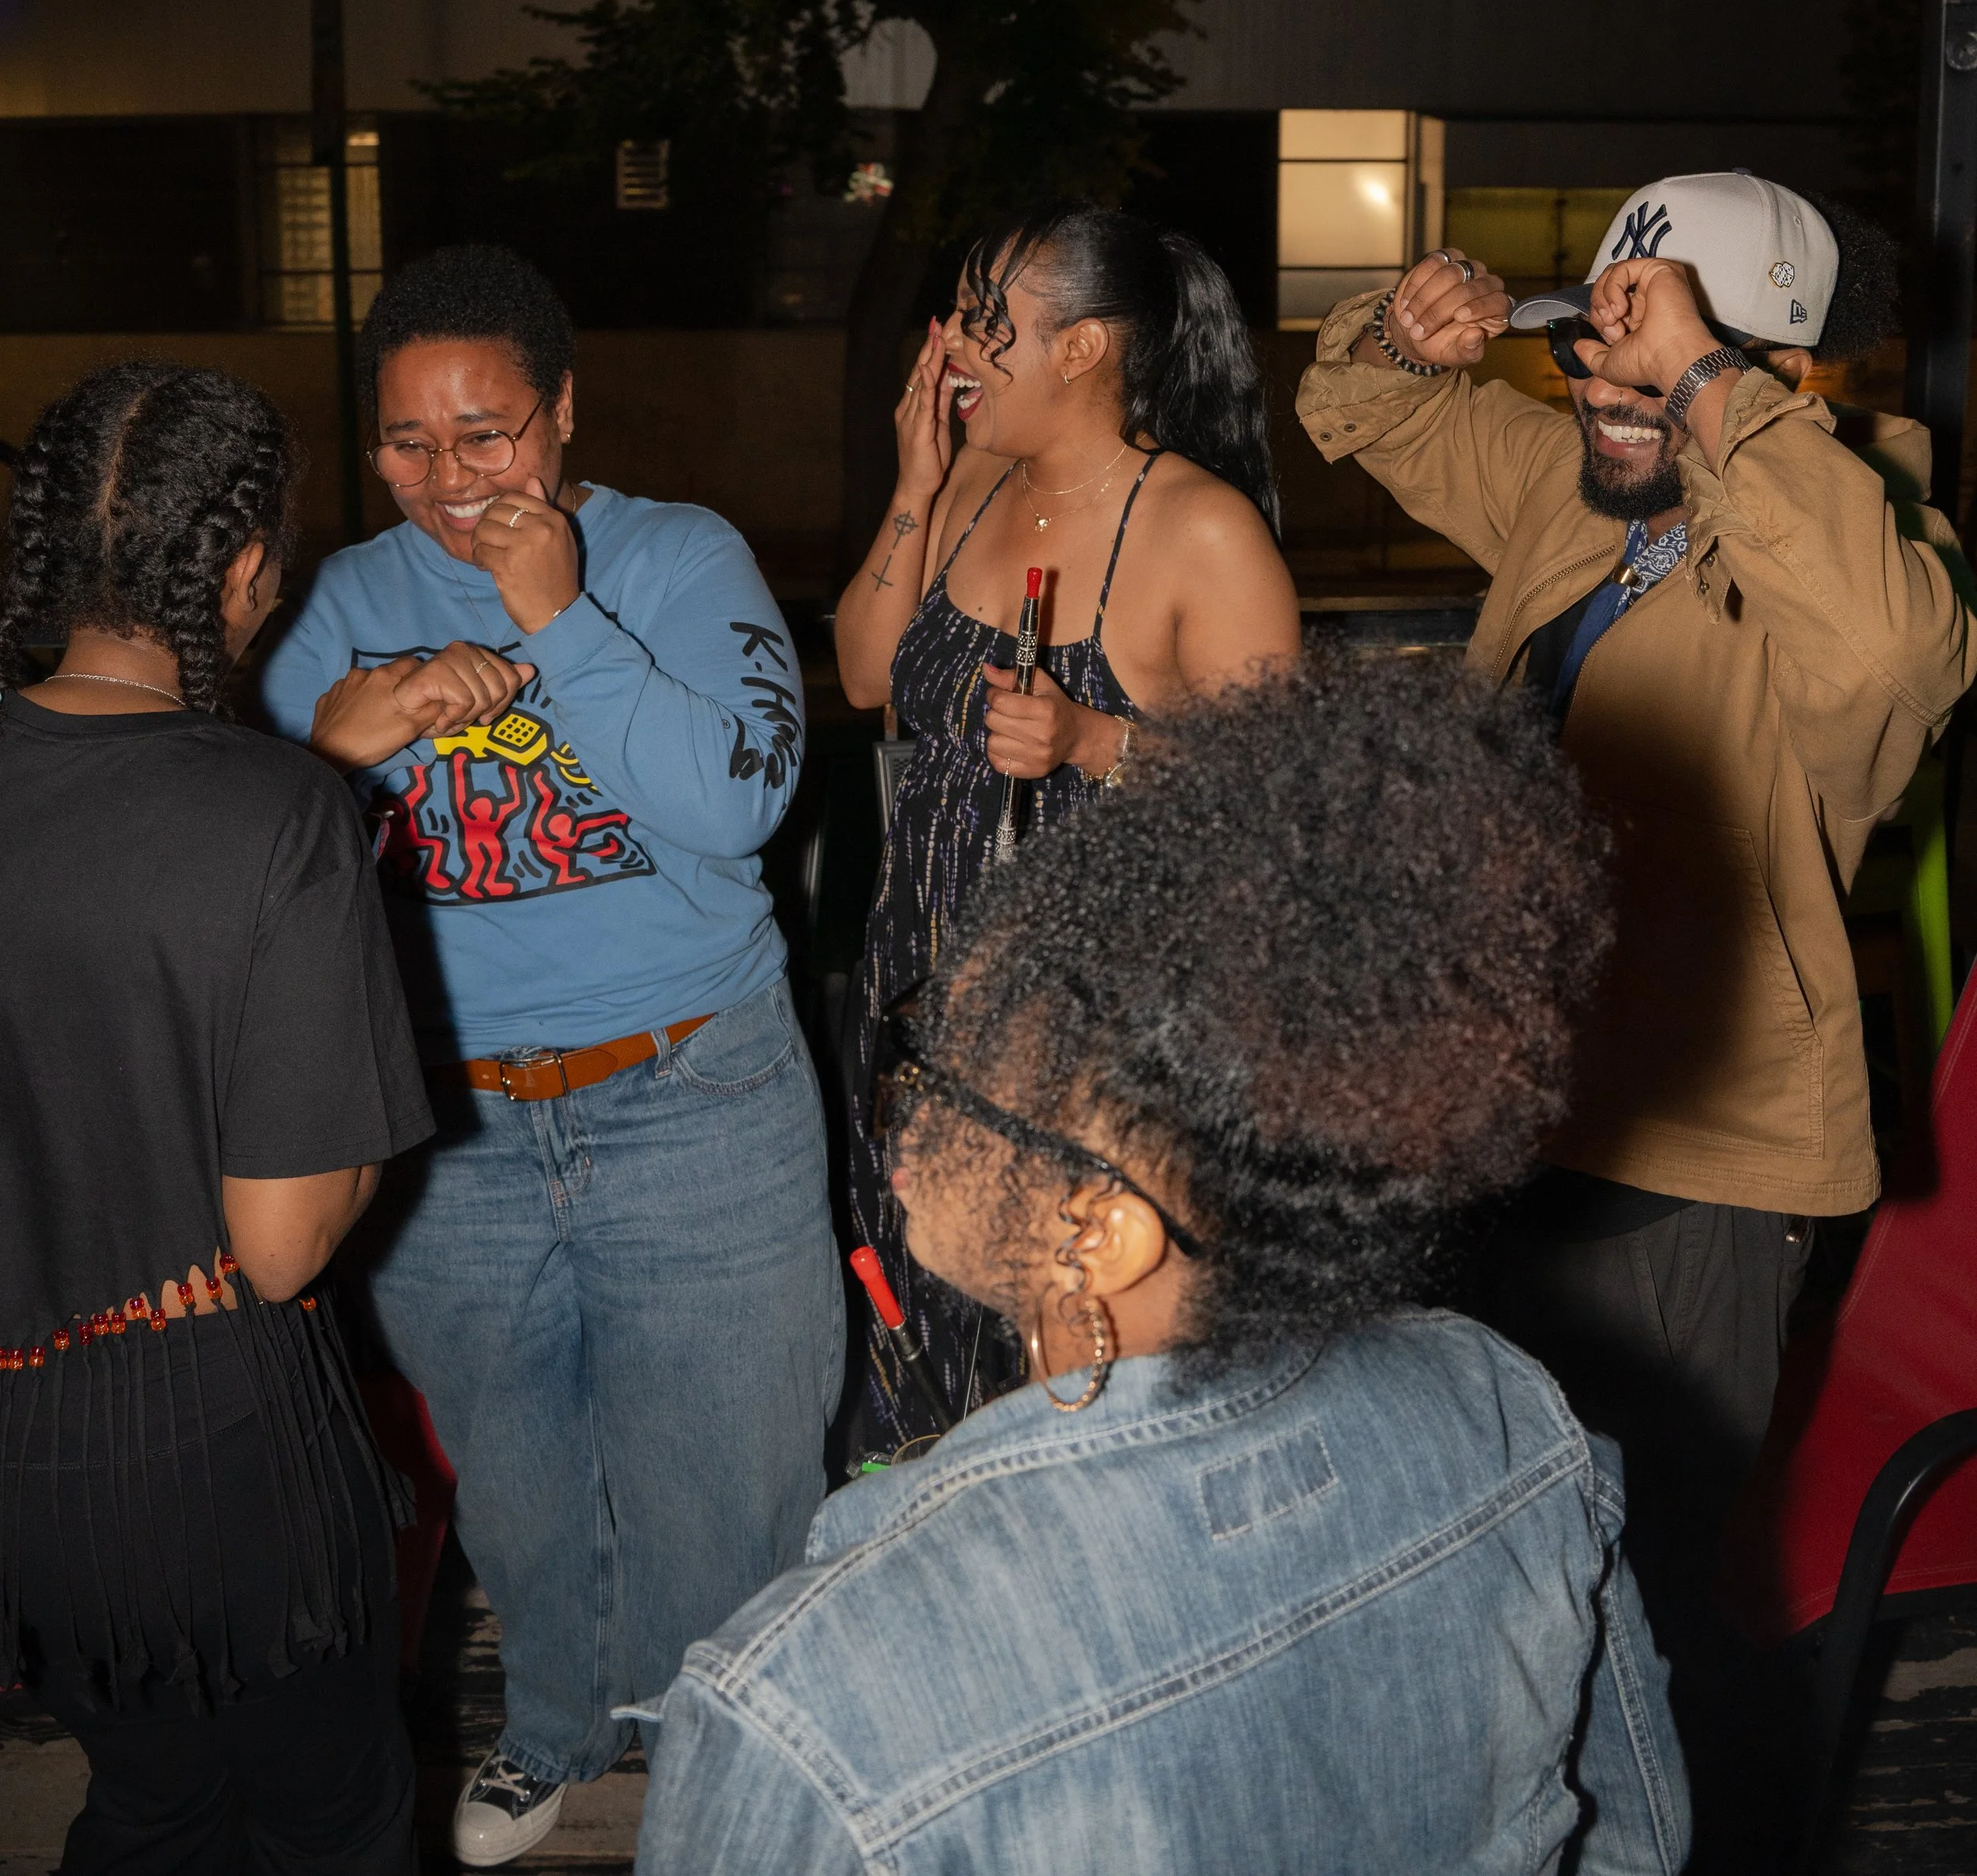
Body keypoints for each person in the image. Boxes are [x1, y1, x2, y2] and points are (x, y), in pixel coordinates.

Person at [626, 652, 1688, 1875]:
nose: (903, 1124)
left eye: (949, 1075)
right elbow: (1633, 1844)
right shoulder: (1502, 1410)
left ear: (1101, 1230)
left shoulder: (808, 1705)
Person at [1294, 172, 1977, 1865]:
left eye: (1644, 378)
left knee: (1656, 1602)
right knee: (1492, 1562)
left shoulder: (1857, 550)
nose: (1596, 403)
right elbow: (1354, 404)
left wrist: (1700, 393)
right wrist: (1405, 321)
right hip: (1504, 1118)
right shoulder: (1587, 497)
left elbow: (1896, 665)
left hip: (1701, 1155)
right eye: (1584, 365)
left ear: (1769, 381)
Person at [260, 244, 840, 1869]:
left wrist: (555, 620)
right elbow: (264, 874)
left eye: (488, 434)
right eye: (408, 442)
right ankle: (560, 1722)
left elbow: (734, 800)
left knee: (724, 1473)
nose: (449, 480)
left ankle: (709, 1747)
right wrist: (331, 755)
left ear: (562, 415)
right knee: (512, 1473)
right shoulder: (336, 607)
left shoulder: (678, 559)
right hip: (446, 1119)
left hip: (695, 1093)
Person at [0, 361, 433, 1874]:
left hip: (24, 1477)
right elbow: (281, 1243)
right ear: (244, 568)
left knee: (151, 1809)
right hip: (214, 1462)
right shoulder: (277, 818)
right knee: (334, 1821)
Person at [833, 202, 1301, 1448]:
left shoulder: (1200, 528)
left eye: (991, 322)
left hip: (1082, 1044)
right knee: (915, 1331)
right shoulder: (974, 482)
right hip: (915, 989)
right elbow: (867, 673)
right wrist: (915, 484)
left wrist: (1098, 742)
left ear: (1085, 348)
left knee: (1051, 1362)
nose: (954, 345)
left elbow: (1278, 807)